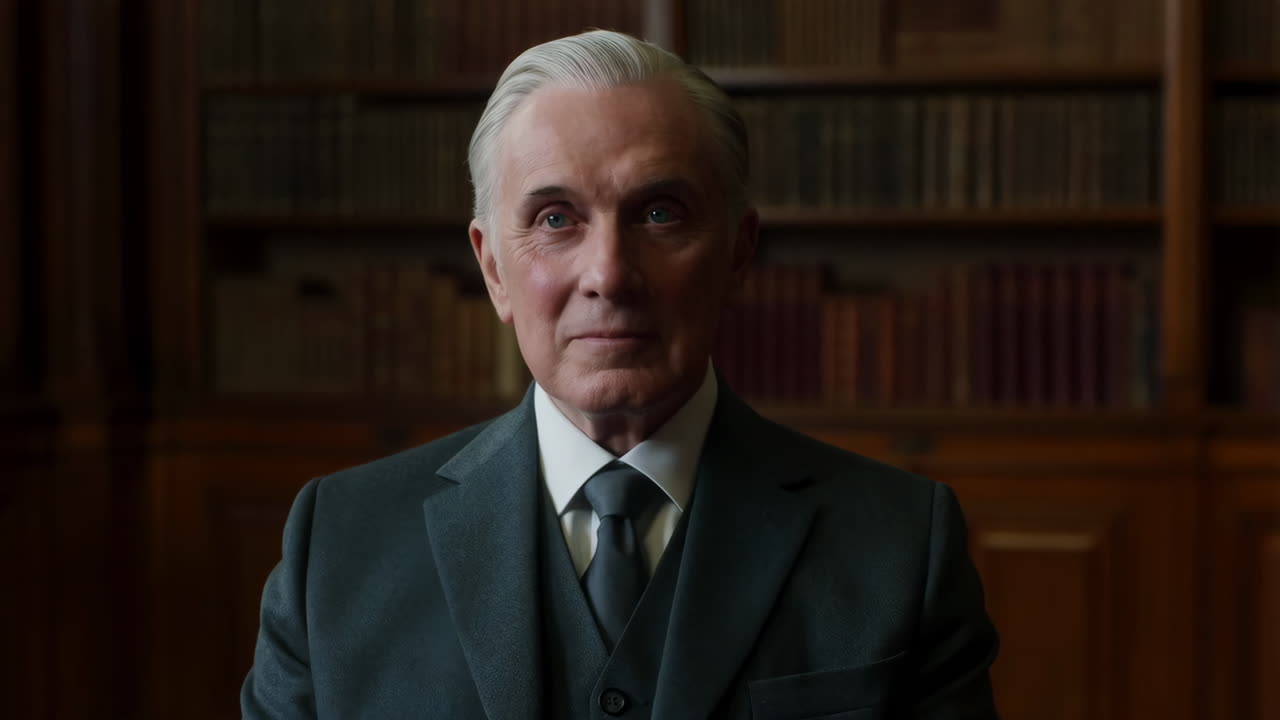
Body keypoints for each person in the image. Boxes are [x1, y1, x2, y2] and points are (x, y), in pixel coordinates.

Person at [241, 30, 999, 720]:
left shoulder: (899, 545)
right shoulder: (340, 545)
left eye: (660, 214)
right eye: (554, 219)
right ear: (493, 268)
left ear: (738, 253)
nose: (608, 273)